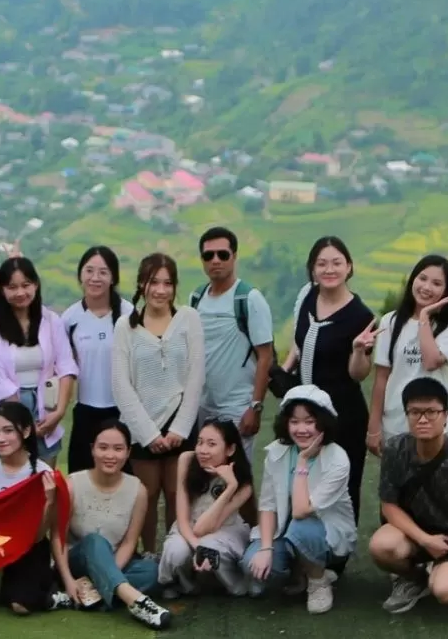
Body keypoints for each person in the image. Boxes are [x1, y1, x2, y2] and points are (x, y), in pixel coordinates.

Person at [368, 377, 448, 624]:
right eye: (415, 412)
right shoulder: (395, 449)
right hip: (415, 534)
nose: (423, 419)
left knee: (447, 592)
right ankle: (415, 579)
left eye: (431, 412)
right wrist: (425, 539)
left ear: (446, 416)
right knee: (380, 546)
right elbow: (389, 506)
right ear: (406, 415)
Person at [110, 251, 204, 553]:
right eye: (154, 282)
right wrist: (148, 434)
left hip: (180, 422)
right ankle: (149, 556)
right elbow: (121, 385)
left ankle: (176, 560)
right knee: (146, 496)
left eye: (167, 283)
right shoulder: (126, 326)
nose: (160, 290)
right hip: (142, 427)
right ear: (141, 284)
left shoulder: (188, 319)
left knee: (178, 493)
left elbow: (196, 376)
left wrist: (180, 429)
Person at [282, 236, 376, 520]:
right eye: (321, 264)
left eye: (336, 263)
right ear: (312, 270)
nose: (329, 269)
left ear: (349, 267)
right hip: (302, 412)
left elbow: (358, 374)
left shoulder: (361, 316)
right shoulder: (308, 296)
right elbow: (299, 343)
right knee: (302, 477)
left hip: (343, 415)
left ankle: (337, 554)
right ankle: (301, 545)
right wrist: (285, 373)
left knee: (342, 484)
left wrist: (359, 350)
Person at [241, 385, 356, 614]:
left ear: (323, 423)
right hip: (285, 533)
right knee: (252, 567)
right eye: (294, 421)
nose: (301, 429)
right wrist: (265, 548)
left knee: (301, 526)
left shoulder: (337, 458)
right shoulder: (277, 453)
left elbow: (302, 511)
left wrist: (302, 462)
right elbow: (267, 506)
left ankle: (318, 580)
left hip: (322, 534)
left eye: (309, 421)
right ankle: (298, 570)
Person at [57, 421, 173, 628]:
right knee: (95, 541)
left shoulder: (138, 490)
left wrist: (110, 573)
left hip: (115, 559)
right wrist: (67, 578)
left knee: (154, 572)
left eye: (118, 449)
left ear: (128, 452)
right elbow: (59, 539)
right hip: (77, 559)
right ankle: (136, 601)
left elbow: (129, 542)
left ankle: (86, 596)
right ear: (92, 449)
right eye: (103, 448)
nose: (110, 455)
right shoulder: (73, 484)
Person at [0, 256, 79, 465]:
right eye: (12, 287)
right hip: (5, 411)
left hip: (45, 411)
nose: (20, 293)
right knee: (7, 480)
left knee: (44, 480)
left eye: (26, 285)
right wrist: (23, 421)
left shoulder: (50, 320)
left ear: (36, 285)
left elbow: (66, 366)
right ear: (1, 290)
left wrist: (59, 412)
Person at [0, 402, 68, 615]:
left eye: (8, 430)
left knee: (20, 606)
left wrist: (49, 501)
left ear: (27, 431)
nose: (0, 439)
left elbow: (40, 536)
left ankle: (52, 592)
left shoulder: (42, 473)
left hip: (28, 546)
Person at [358, 255, 448, 459]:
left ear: (447, 291)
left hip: (439, 425)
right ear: (412, 280)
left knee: (439, 487)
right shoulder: (391, 321)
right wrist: (374, 427)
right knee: (398, 488)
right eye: (422, 278)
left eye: (436, 283)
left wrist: (423, 318)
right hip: (396, 423)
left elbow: (431, 361)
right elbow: (381, 378)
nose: (426, 287)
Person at [187, 227, 274, 457]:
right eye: (208, 255)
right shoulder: (196, 298)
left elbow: (265, 355)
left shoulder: (250, 299)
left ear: (234, 256)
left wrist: (255, 407)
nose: (215, 260)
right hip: (203, 406)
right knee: (204, 475)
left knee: (236, 477)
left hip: (237, 407)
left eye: (222, 254)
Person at [158, 416, 253, 598]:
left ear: (230, 449)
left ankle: (232, 584)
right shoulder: (186, 460)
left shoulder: (243, 484)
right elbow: (183, 519)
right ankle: (182, 585)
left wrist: (230, 487)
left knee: (210, 546)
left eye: (211, 444)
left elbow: (203, 528)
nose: (202, 450)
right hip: (188, 526)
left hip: (224, 530)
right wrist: (196, 545)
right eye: (200, 442)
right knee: (176, 550)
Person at [62, 246, 127, 472]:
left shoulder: (129, 315)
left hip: (122, 412)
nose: (95, 278)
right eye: (89, 271)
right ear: (80, 275)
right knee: (80, 479)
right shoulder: (70, 318)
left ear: (113, 278)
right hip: (85, 411)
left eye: (103, 272)